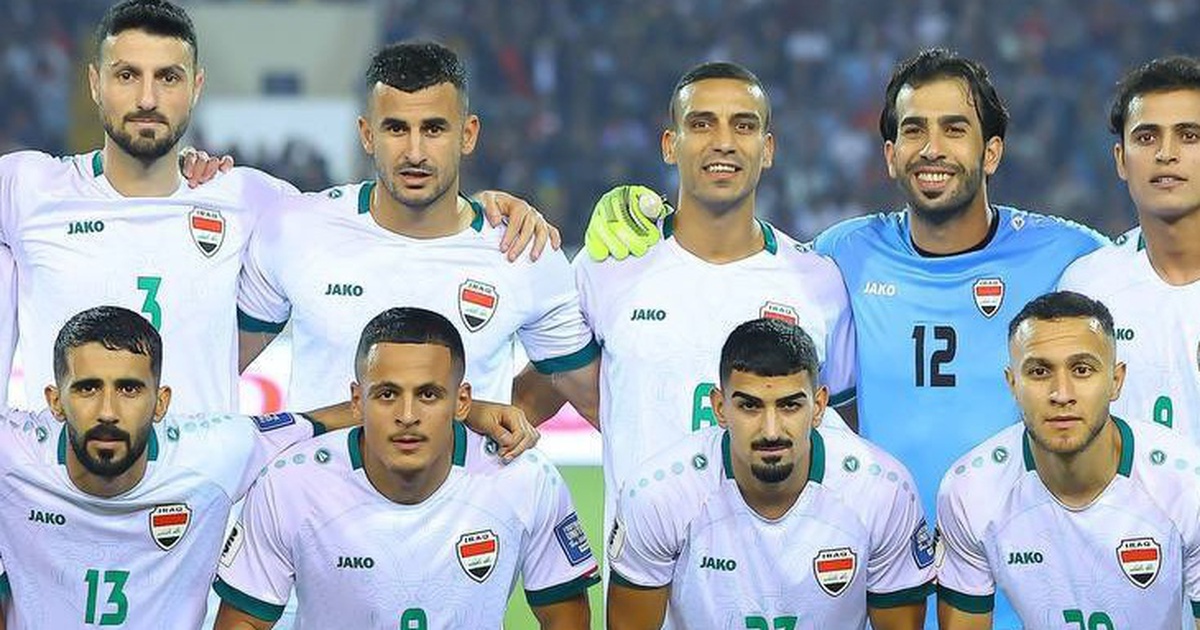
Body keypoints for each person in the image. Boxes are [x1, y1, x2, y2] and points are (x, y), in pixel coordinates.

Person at [0, 0, 555, 416]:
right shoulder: (24, 187)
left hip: (194, 501)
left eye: (167, 78)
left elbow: (386, 223)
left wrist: (484, 210)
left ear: (196, 88)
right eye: (127, 75)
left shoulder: (254, 202)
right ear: (94, 83)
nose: (147, 98)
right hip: (50, 496)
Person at [561, 62, 858, 566]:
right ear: (669, 145)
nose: (723, 142)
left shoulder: (819, 281)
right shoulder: (604, 266)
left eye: (743, 125)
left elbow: (847, 432)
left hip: (781, 582)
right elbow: (548, 390)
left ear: (767, 149)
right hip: (646, 586)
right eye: (701, 124)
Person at [234, 41, 600, 426]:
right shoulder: (297, 229)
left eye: (433, 129)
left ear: (468, 134)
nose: (414, 152)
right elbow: (214, 365)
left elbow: (590, 396)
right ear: (367, 134)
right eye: (396, 128)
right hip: (317, 467)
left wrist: (488, 430)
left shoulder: (522, 249)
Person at [213, 307, 598, 629]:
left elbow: (565, 615)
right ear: (357, 401)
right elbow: (244, 621)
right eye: (387, 394)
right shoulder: (291, 484)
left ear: (463, 401)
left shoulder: (524, 477)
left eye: (428, 394)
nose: (408, 415)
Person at [0, 306, 360, 629]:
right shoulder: (14, 454)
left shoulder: (213, 454)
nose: (108, 411)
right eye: (88, 389)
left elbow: (335, 419)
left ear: (161, 402)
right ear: (55, 402)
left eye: (129, 389)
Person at [607, 318, 931, 630]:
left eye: (790, 406)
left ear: (819, 407)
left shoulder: (882, 491)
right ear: (720, 408)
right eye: (750, 406)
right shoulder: (659, 494)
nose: (771, 430)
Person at [936, 291, 1200, 629]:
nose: (1061, 394)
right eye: (1039, 371)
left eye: (1082, 369)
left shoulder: (1188, 484)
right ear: (1012, 384)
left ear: (1116, 381)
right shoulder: (971, 490)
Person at [1058, 55, 1200, 439]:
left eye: (1189, 136)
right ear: (1121, 160)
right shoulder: (1087, 286)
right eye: (1146, 137)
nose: (1166, 153)